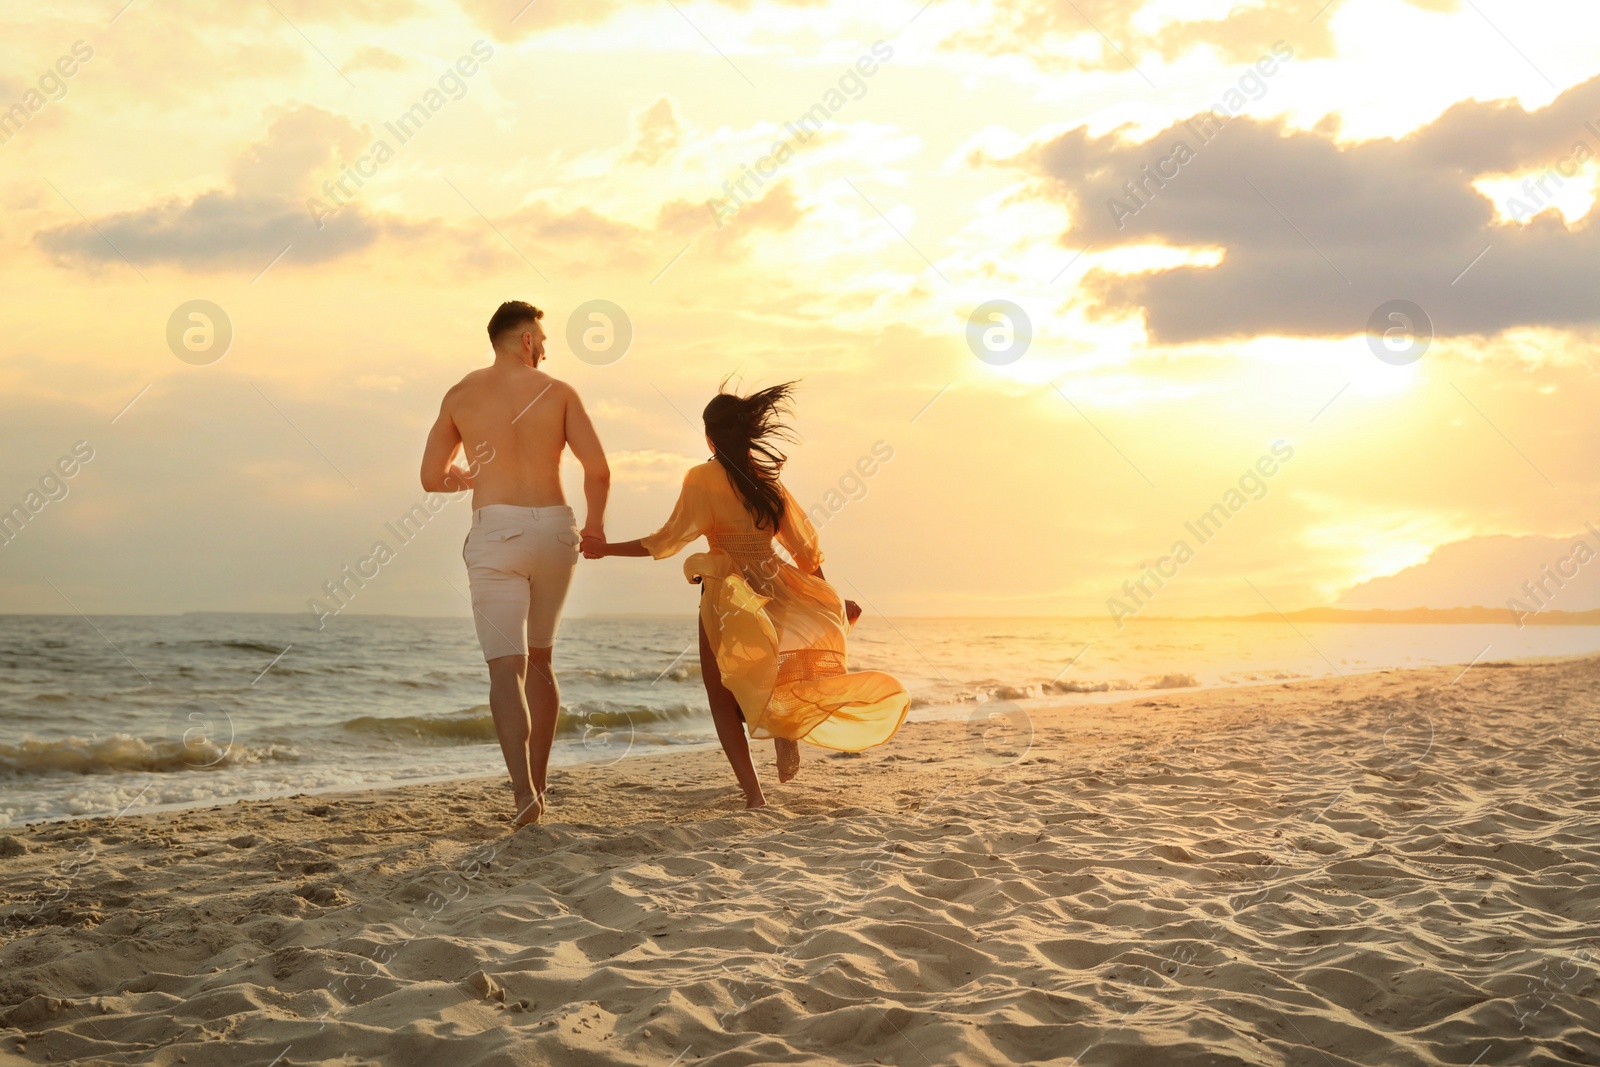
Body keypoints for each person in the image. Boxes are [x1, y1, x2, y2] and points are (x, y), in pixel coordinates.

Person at [583, 382, 908, 808]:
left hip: (727, 596)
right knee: (772, 674)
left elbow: (665, 540)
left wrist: (605, 549)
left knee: (721, 697)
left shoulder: (702, 478)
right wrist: (827, 600)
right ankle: (785, 732)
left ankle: (755, 795)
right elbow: (805, 551)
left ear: (710, 437)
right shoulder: (766, 481)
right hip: (775, 587)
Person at [420, 300, 610, 827]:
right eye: (543, 340)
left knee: (507, 669)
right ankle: (543, 782)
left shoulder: (461, 394)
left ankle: (525, 796)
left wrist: (466, 476)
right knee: (542, 661)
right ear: (525, 339)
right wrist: (593, 527)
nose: (546, 350)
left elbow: (431, 477)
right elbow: (598, 470)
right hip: (555, 528)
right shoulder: (560, 393)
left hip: (497, 531)